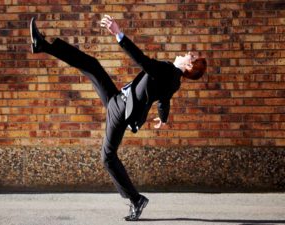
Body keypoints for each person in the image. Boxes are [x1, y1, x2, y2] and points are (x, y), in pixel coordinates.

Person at [30, 15, 207, 221]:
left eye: (189, 56)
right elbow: (163, 100)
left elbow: (142, 60)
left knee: (108, 157)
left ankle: (135, 199)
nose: (185, 53)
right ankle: (42, 44)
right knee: (92, 65)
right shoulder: (174, 81)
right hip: (119, 101)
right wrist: (164, 119)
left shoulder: (169, 71)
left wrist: (118, 33)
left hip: (121, 109)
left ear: (188, 67)